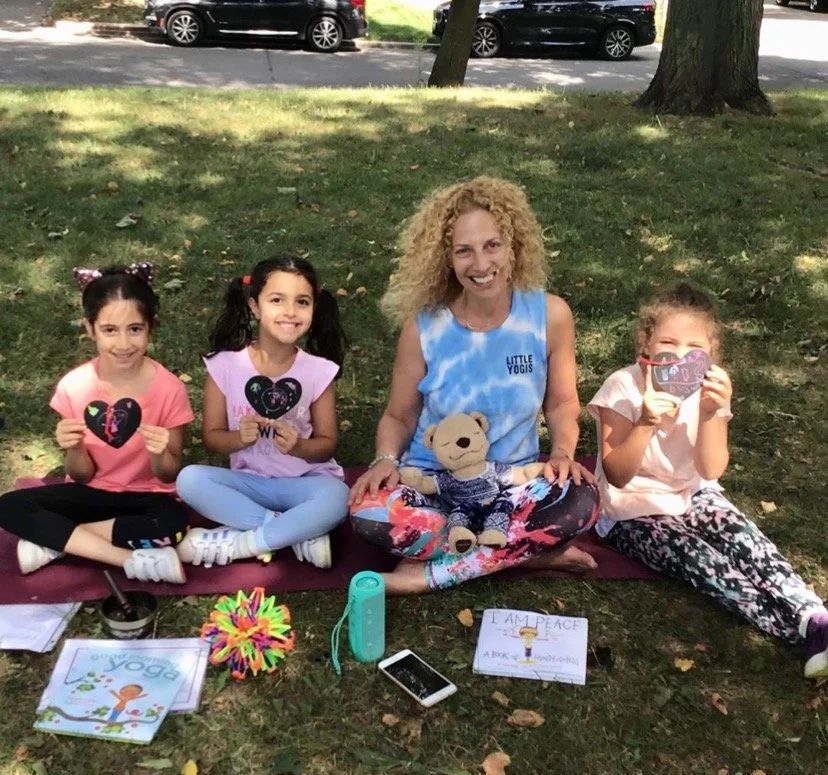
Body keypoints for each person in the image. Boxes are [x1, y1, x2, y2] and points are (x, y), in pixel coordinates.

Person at [349, 177, 601, 594]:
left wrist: (561, 453)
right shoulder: (424, 328)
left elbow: (561, 404)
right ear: (446, 259)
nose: (480, 264)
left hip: (514, 485)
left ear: (514, 245)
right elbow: (399, 414)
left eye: (492, 245)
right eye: (463, 250)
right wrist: (385, 460)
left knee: (580, 501)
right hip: (434, 486)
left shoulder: (550, 315)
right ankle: (529, 553)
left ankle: (429, 573)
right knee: (368, 514)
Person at [587, 281, 828, 679]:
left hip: (693, 492)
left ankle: (813, 616)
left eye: (694, 350)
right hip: (632, 509)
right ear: (645, 345)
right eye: (668, 344)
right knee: (704, 563)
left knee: (747, 541)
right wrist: (646, 422)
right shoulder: (623, 387)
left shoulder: (710, 393)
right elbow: (617, 474)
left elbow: (711, 469)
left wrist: (710, 413)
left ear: (711, 355)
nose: (681, 358)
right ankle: (795, 633)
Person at [0, 263, 193, 583]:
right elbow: (80, 475)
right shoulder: (74, 386)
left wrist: (159, 453)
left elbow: (168, 474)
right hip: (91, 494)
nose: (123, 344)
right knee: (9, 506)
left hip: (147, 499)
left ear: (151, 328)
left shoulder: (170, 388)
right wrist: (74, 448)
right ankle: (130, 560)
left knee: (173, 524)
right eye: (109, 330)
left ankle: (57, 543)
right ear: (90, 329)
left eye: (135, 329)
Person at [175, 256, 349, 569]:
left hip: (304, 484)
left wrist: (299, 446)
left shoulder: (318, 371)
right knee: (189, 480)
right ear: (255, 306)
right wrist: (238, 439)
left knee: (336, 497)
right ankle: (294, 532)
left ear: (314, 308)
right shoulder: (224, 366)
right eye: (277, 300)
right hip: (249, 484)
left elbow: (326, 445)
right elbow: (213, 440)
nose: (290, 312)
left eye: (302, 302)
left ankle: (243, 544)